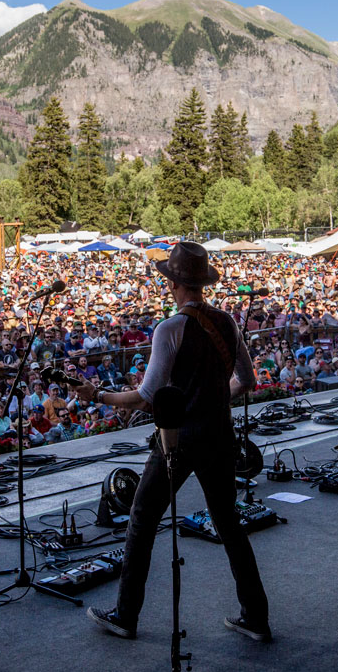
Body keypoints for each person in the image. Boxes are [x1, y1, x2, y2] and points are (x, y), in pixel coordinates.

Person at [77, 242, 270, 642]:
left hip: (178, 440)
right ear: (202, 283)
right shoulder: (228, 323)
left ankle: (125, 615)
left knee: (142, 520)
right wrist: (214, 401)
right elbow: (247, 380)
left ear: (173, 283)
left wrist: (97, 396)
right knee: (229, 525)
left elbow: (147, 397)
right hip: (219, 435)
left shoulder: (169, 329)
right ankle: (256, 617)